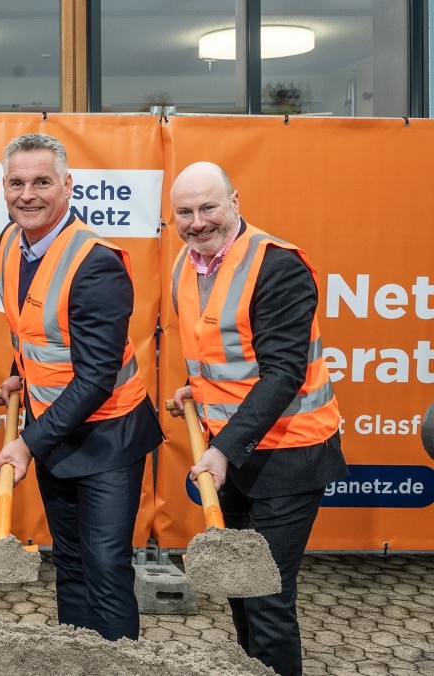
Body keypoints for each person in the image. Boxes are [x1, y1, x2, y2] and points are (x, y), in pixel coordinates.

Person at [168, 161, 346, 676]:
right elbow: (222, 349)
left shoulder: (277, 265)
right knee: (240, 594)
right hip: (237, 454)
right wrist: (198, 390)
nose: (198, 222)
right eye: (185, 212)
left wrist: (222, 450)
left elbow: (284, 373)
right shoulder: (188, 262)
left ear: (235, 202)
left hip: (290, 455)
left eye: (209, 207)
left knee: (267, 598)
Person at [0, 133, 162, 641]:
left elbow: (95, 378)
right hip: (56, 434)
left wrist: (27, 443)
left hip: (108, 438)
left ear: (67, 185)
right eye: (17, 183)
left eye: (42, 182)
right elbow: (37, 331)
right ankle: (76, 658)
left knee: (105, 565)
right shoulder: (10, 242)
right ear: (4, 187)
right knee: (68, 562)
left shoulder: (96, 263)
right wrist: (23, 373)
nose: (28, 194)